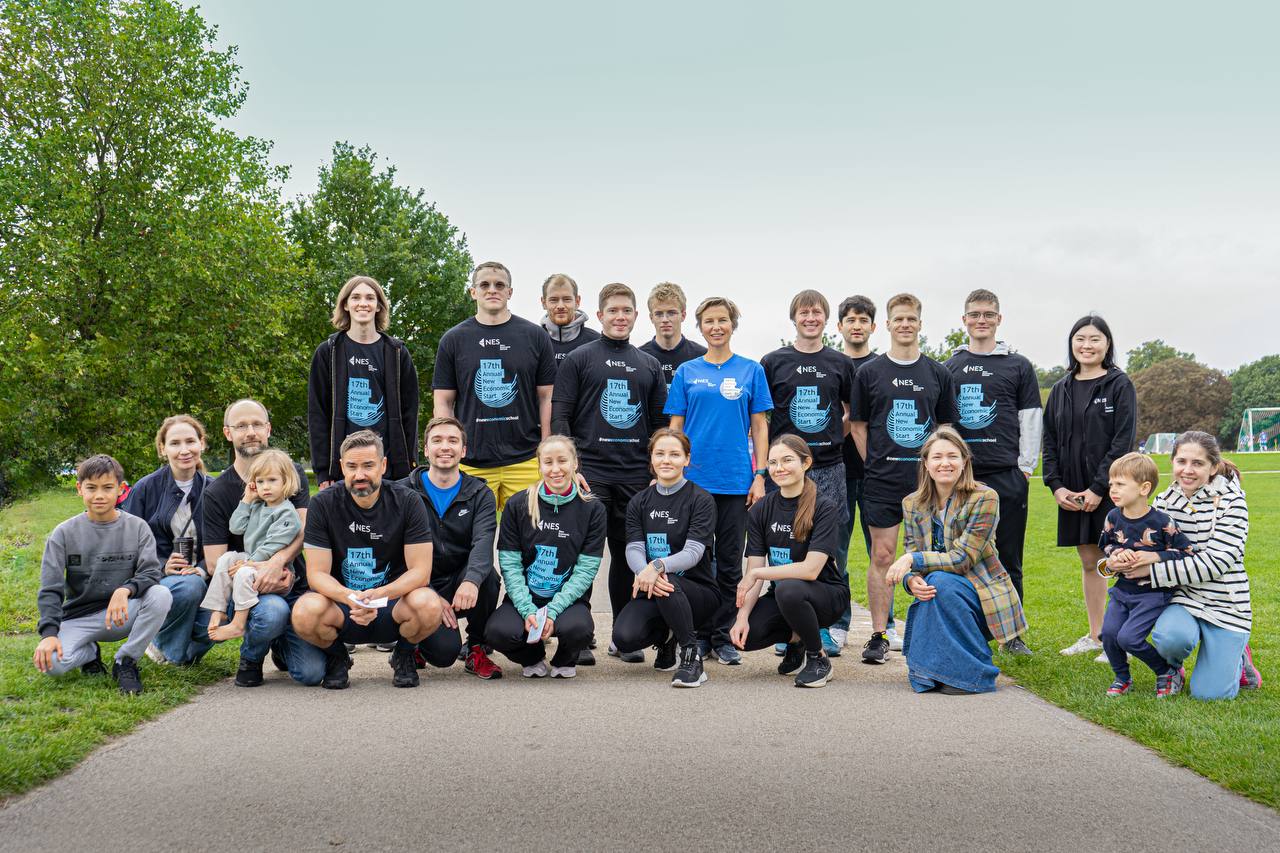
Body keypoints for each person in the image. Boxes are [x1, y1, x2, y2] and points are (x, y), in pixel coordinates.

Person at [552, 282, 667, 664]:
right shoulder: (579, 359)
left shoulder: (648, 365)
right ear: (600, 315)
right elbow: (561, 416)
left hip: (635, 476)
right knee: (583, 553)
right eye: (613, 311)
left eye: (626, 311)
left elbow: (659, 425)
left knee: (626, 553)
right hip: (590, 474)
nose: (620, 317)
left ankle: (622, 636)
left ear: (635, 316)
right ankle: (579, 636)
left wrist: (655, 470)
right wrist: (572, 467)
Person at [850, 293, 959, 664]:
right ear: (887, 325)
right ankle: (880, 635)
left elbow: (945, 429)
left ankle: (934, 633)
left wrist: (937, 469)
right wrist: (875, 462)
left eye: (911, 318)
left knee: (932, 557)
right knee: (882, 555)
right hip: (882, 480)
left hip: (927, 485)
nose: (905, 324)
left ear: (920, 324)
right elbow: (859, 426)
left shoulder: (938, 373)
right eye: (898, 319)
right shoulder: (869, 373)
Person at [291, 430, 444, 689]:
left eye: (368, 466)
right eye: (352, 466)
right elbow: (316, 574)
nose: (359, 474)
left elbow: (421, 572)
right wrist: (351, 597)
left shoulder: (408, 501)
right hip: (342, 605)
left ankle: (404, 654)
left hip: (392, 603)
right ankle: (338, 657)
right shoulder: (322, 503)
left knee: (428, 604)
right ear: (342, 467)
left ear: (383, 466)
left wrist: (379, 595)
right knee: (304, 612)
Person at [665, 296, 772, 666]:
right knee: (695, 561)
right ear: (700, 327)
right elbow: (675, 427)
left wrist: (760, 475)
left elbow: (760, 426)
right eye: (709, 321)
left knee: (728, 563)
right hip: (693, 483)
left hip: (735, 482)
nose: (716, 327)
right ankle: (697, 635)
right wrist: (671, 470)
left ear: (732, 325)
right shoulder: (686, 372)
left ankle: (723, 635)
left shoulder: (751, 371)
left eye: (722, 320)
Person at [1113, 431, 1258, 699]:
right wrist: (1117, 560)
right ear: (1172, 462)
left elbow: (1216, 562)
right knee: (1170, 637)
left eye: (1197, 463)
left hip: (1225, 602)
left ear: (1213, 467)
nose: (1187, 470)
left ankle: (1239, 658)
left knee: (1210, 695)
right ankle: (1173, 669)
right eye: (1181, 461)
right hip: (1183, 597)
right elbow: (1143, 547)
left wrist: (1152, 568)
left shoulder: (1233, 502)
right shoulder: (1164, 501)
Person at [886, 427, 1028, 694]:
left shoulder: (984, 498)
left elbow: (962, 559)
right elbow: (911, 555)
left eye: (953, 456)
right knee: (935, 584)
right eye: (937, 457)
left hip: (983, 596)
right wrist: (911, 581)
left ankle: (974, 673)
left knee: (940, 581)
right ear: (926, 464)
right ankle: (934, 672)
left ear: (964, 462)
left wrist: (912, 560)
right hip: (939, 595)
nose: (945, 463)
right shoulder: (912, 504)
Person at [201, 399, 323, 688]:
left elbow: (302, 529)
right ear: (228, 433)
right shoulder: (217, 492)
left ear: (268, 429)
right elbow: (214, 562)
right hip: (247, 587)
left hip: (288, 580)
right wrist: (256, 571)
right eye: (241, 426)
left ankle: (280, 642)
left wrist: (277, 563)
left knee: (311, 673)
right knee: (272, 612)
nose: (250, 432)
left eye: (257, 424)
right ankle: (251, 657)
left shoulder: (289, 472)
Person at [761, 290, 854, 658]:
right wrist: (773, 463)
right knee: (783, 545)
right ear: (794, 318)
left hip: (829, 467)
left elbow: (849, 412)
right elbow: (762, 416)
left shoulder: (841, 363)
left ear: (826, 319)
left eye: (817, 312)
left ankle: (829, 624)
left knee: (833, 548)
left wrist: (830, 439)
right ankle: (787, 624)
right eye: (804, 312)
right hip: (784, 471)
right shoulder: (774, 362)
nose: (810, 318)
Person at [944, 288, 1041, 636]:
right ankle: (968, 629)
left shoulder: (1018, 365)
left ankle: (1012, 635)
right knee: (961, 555)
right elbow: (944, 423)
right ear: (964, 320)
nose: (981, 320)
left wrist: (1025, 467)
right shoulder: (950, 367)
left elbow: (1031, 416)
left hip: (1006, 474)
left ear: (999, 319)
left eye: (988, 314)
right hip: (963, 478)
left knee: (1009, 557)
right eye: (974, 314)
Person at [34, 455, 173, 695]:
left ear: (121, 489)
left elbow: (151, 571)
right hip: (80, 616)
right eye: (91, 488)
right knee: (52, 665)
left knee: (161, 594)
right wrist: (48, 634)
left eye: (108, 488)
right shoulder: (63, 533)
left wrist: (125, 590)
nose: (99, 495)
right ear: (79, 489)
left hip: (123, 613)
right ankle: (89, 653)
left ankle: (126, 661)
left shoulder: (138, 527)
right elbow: (50, 588)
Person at [1042, 314, 1137, 658]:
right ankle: (1096, 635)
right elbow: (1050, 441)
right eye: (1080, 339)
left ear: (1107, 344)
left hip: (1111, 490)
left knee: (1118, 561)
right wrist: (1056, 486)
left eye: (1095, 339)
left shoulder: (1119, 385)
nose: (1087, 345)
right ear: (1072, 344)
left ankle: (1121, 638)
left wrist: (1099, 489)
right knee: (1089, 561)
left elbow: (1122, 442)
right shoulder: (1061, 388)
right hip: (1072, 492)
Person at [433, 261, 557, 510]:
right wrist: (449, 446)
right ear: (473, 292)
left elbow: (547, 397)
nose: (492, 290)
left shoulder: (535, 336)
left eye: (500, 285)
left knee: (531, 531)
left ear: (510, 292)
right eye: (485, 285)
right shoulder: (453, 339)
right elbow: (443, 402)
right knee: (468, 533)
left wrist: (546, 446)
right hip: (471, 461)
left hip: (526, 459)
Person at [730, 436, 846, 687]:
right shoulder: (761, 509)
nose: (779, 468)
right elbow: (754, 568)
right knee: (743, 633)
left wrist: (758, 574)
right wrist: (742, 617)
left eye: (787, 460)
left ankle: (818, 659)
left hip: (826, 595)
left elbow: (811, 570)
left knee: (789, 588)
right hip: (784, 595)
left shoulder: (824, 507)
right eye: (772, 462)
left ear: (806, 463)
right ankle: (798, 640)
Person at [485, 435, 606, 679]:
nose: (555, 469)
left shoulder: (593, 508)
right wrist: (527, 609)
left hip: (569, 601)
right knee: (497, 633)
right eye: (548, 462)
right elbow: (510, 566)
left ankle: (565, 659)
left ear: (575, 463)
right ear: (539, 466)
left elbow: (586, 571)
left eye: (562, 460)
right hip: (526, 598)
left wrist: (552, 611)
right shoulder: (518, 504)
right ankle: (532, 656)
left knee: (579, 630)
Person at [612, 429, 718, 687]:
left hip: (698, 592)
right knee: (624, 637)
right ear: (651, 459)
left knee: (668, 583)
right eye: (660, 454)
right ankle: (667, 638)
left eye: (674, 454)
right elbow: (633, 549)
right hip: (654, 587)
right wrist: (644, 572)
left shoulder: (701, 499)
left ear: (687, 459)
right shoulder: (639, 501)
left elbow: (693, 553)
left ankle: (691, 656)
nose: (666, 460)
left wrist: (657, 567)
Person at [399, 416, 503, 680]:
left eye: (453, 441)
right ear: (426, 450)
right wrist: (430, 594)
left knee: (488, 577)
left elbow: (483, 542)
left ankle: (477, 648)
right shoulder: (403, 492)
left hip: (460, 582)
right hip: (419, 583)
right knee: (444, 654)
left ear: (463, 450)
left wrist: (472, 580)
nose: (445, 447)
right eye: (437, 440)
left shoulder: (480, 493)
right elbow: (395, 553)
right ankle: (413, 644)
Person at [308, 275, 419, 488]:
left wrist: (409, 465)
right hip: (342, 470)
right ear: (345, 305)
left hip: (390, 469)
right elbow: (317, 414)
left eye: (370, 298)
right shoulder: (328, 352)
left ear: (379, 306)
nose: (363, 303)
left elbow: (410, 414)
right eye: (356, 297)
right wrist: (323, 471)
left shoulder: (397, 353)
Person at [1097, 452, 1194, 697]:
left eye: (1120, 484)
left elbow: (1185, 552)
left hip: (1153, 594)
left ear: (1144, 488)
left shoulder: (1162, 522)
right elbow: (1106, 544)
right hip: (1122, 591)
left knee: (1129, 639)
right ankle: (1122, 677)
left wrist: (1155, 556)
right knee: (1108, 635)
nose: (1113, 489)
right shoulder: (1112, 517)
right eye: (1111, 484)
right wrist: (1116, 555)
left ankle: (1166, 671)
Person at [121, 414, 212, 666]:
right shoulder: (145, 489)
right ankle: (172, 654)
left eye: (190, 441)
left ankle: (169, 646)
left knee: (231, 606)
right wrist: (162, 565)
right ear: (163, 449)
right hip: (157, 581)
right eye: (175, 443)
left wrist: (203, 568)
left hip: (206, 576)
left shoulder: (215, 489)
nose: (184, 450)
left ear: (202, 443)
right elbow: (128, 544)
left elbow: (229, 542)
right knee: (189, 587)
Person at [200, 449, 302, 643]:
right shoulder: (256, 505)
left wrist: (248, 564)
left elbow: (271, 548)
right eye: (260, 481)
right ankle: (218, 609)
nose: (266, 487)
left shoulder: (287, 513)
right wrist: (247, 499)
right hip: (252, 560)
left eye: (272, 480)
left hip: (275, 569)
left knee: (243, 573)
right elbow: (236, 528)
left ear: (286, 481)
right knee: (226, 559)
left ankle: (238, 624)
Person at [829, 294, 878, 652]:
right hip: (838, 470)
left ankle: (884, 625)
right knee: (837, 552)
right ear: (840, 326)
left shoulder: (883, 365)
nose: (857, 326)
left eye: (863, 320)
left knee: (882, 552)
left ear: (873, 326)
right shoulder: (832, 364)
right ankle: (838, 622)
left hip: (877, 473)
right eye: (851, 320)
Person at [639, 282, 707, 390]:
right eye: (659, 314)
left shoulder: (702, 357)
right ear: (651, 317)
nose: (665, 319)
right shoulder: (639, 358)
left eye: (671, 313)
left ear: (683, 315)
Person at [540, 273, 600, 367]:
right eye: (554, 300)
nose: (560, 306)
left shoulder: (596, 342)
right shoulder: (533, 341)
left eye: (567, 299)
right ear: (544, 303)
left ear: (577, 301)